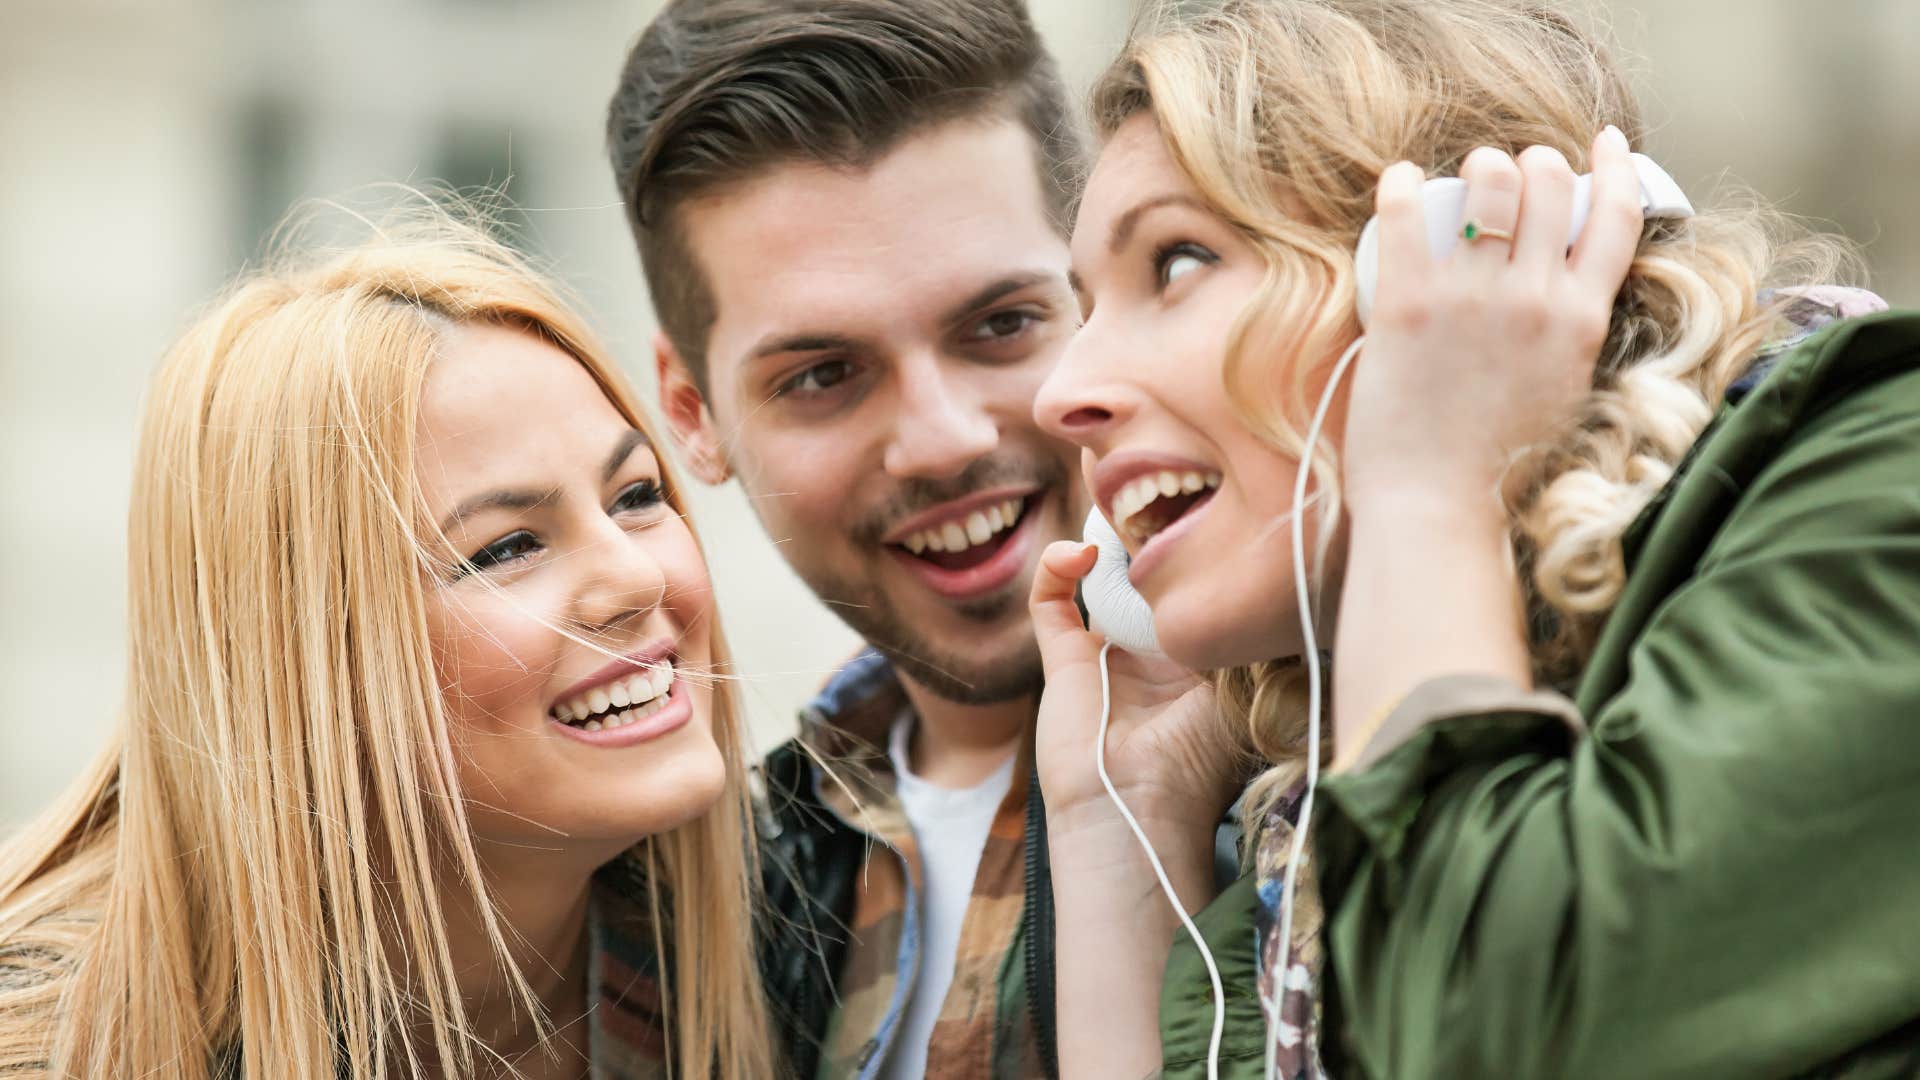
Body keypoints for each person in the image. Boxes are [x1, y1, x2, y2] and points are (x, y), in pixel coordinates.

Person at [1028, 0, 1918, 1077]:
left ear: (1460, 259)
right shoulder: (1298, 853)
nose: (1060, 394)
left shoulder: (1877, 468)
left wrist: (1432, 483)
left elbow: (1504, 1037)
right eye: (1081, 309)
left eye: (1173, 264)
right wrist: (1117, 821)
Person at [0, 202, 774, 1079]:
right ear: (301, 657)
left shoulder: (808, 950)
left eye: (636, 496)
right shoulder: (56, 1052)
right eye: (507, 547)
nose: (637, 579)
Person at [603, 1, 1158, 1076]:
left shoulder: (1316, 775)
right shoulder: (699, 906)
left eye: (1001, 324)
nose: (942, 442)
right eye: (822, 376)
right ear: (691, 414)